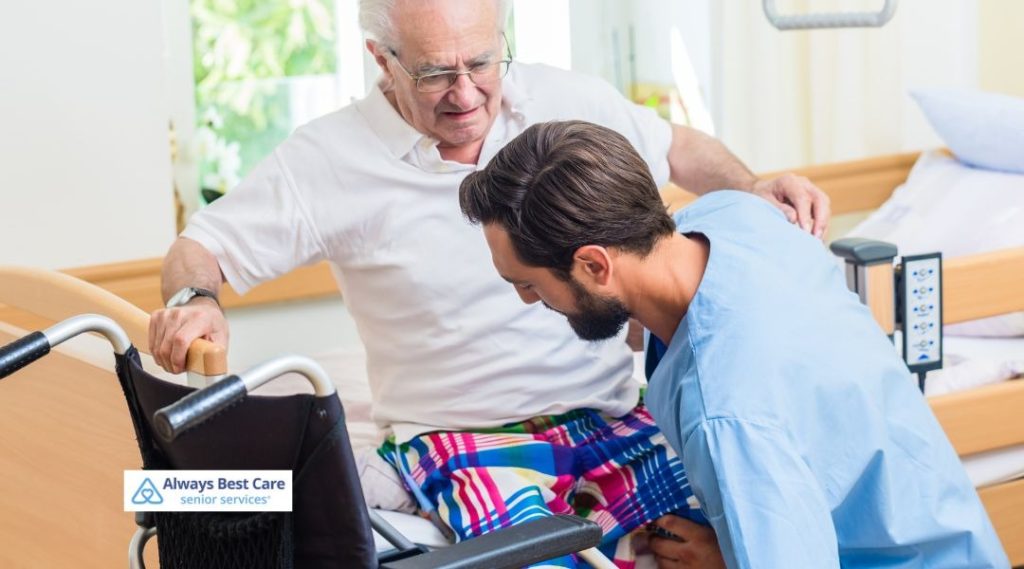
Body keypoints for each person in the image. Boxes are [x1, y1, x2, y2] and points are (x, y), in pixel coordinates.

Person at [150, 0, 829, 566]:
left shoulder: (564, 98)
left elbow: (676, 146)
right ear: (380, 59)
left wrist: (754, 186)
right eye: (436, 73)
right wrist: (195, 300)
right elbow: (198, 248)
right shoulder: (327, 159)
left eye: (480, 62)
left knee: (751, 532)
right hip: (465, 439)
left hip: (616, 414)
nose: (467, 93)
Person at [458, 119, 1009, 569]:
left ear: (594, 264)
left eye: (528, 284)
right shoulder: (733, 215)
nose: (529, 301)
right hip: (949, 531)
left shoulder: (726, 412)